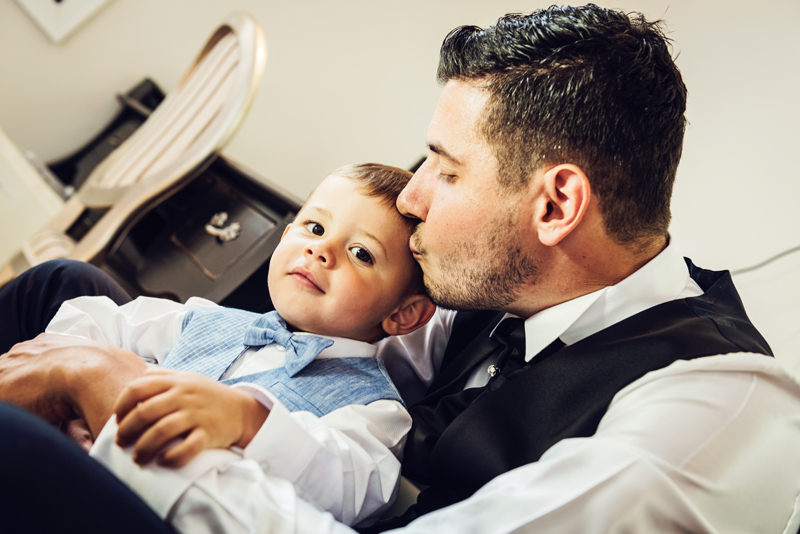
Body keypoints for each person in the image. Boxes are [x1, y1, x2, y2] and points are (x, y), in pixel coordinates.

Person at [1, 4, 800, 534]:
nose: (412, 198)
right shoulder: (508, 286)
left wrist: (117, 400)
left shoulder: (715, 413)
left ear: (556, 205)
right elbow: (329, 349)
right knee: (64, 287)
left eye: (445, 171)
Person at [36, 162, 436, 527]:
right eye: (314, 228)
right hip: (75, 464)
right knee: (58, 279)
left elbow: (347, 484)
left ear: (403, 315)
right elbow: (101, 318)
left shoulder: (375, 410)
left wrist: (251, 420)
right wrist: (65, 388)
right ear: (285, 235)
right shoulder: (210, 319)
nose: (321, 250)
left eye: (361, 254)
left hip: (151, 515)